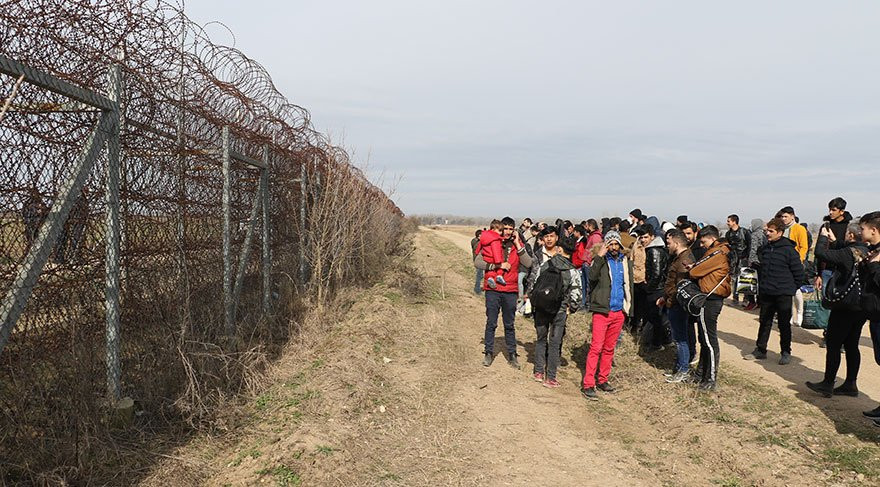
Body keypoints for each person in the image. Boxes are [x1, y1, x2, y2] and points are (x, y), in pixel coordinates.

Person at [806, 216, 880, 398]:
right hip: (861, 308)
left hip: (846, 307)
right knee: (852, 344)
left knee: (833, 343)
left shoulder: (851, 253)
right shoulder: (867, 250)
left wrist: (822, 237)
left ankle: (828, 383)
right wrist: (836, 241)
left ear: (852, 235)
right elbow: (843, 249)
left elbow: (822, 254)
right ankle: (850, 384)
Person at [581, 230, 634, 400]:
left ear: (620, 245)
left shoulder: (624, 261)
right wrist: (599, 257)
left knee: (609, 348)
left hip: (618, 311)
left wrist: (628, 308)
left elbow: (628, 285)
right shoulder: (601, 260)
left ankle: (603, 379)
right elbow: (592, 277)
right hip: (602, 311)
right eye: (610, 243)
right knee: (596, 347)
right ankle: (588, 383)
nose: (613, 247)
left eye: (616, 244)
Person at [745, 218, 804, 365]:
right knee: (764, 322)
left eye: (771, 231)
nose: (767, 233)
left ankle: (785, 352)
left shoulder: (789, 250)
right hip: (766, 292)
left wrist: (790, 289)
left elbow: (799, 273)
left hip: (783, 294)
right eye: (767, 230)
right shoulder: (765, 249)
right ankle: (760, 350)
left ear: (780, 232)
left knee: (784, 324)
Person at [474, 217, 532, 369]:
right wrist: (496, 265)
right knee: (491, 322)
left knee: (509, 324)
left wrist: (518, 243)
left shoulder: (516, 245)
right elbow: (477, 262)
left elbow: (529, 263)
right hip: (493, 289)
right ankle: (488, 352)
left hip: (510, 289)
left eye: (510, 229)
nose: (507, 232)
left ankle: (512, 354)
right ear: (500, 230)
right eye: (504, 229)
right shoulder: (493, 242)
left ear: (514, 230)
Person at [525, 235, 581, 388]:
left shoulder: (545, 265)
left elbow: (534, 284)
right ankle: (550, 378)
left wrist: (533, 301)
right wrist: (571, 308)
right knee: (555, 343)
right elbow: (576, 294)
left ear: (559, 249)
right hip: (560, 311)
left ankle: (538, 372)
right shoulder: (572, 271)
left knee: (541, 340)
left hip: (542, 308)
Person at [688, 225, 731, 391]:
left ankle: (711, 378)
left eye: (703, 241)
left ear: (712, 238)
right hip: (709, 297)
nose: (701, 245)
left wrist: (694, 268)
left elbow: (696, 271)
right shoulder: (718, 251)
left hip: (711, 299)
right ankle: (701, 374)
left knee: (709, 339)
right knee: (704, 338)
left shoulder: (718, 252)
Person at [658, 229, 695, 383]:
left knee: (680, 339)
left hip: (677, 304)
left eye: (669, 243)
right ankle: (679, 368)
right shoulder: (679, 257)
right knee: (679, 338)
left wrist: (669, 299)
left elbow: (680, 286)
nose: (667, 245)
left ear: (677, 243)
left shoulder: (684, 260)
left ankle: (683, 370)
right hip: (672, 302)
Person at [639, 223, 670, 352]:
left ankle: (657, 343)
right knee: (658, 317)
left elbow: (656, 274)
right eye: (641, 237)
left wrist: (648, 288)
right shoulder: (656, 248)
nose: (643, 240)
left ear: (652, 236)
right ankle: (663, 340)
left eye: (645, 237)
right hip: (658, 287)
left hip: (657, 289)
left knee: (655, 317)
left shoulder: (654, 250)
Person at [475, 220, 508, 289]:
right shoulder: (495, 239)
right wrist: (498, 262)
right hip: (494, 257)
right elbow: (496, 250)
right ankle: (499, 276)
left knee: (490, 270)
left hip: (486, 257)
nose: (501, 233)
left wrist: (477, 252)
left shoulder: (484, 237)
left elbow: (479, 246)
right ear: (493, 229)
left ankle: (490, 278)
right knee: (499, 268)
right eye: (499, 231)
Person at [725, 214, 750, 304]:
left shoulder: (745, 231)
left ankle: (746, 299)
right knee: (734, 279)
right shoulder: (728, 234)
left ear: (734, 222)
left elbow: (749, 244)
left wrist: (748, 257)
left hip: (744, 258)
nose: (727, 223)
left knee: (744, 278)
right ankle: (735, 298)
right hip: (733, 259)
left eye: (728, 221)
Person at [743, 218, 767, 311]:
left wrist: (750, 261)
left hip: (755, 263)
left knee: (750, 283)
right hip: (762, 262)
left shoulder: (754, 235)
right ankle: (759, 302)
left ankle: (752, 302)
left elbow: (753, 249)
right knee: (760, 284)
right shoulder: (764, 234)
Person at [21, 185, 48, 252]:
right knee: (30, 242)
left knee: (37, 242)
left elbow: (44, 211)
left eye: (36, 192)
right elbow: (24, 213)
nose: (34, 194)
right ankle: (28, 254)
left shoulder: (40, 202)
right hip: (30, 224)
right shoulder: (28, 203)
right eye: (32, 192)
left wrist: (41, 211)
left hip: (38, 225)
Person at [471, 229, 484, 295]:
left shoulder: (473, 240)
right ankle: (477, 289)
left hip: (476, 260)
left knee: (480, 275)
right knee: (479, 275)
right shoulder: (478, 243)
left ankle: (477, 288)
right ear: (479, 236)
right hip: (479, 261)